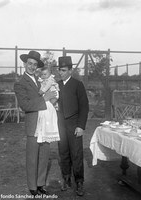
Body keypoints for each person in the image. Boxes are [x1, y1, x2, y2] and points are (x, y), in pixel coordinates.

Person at [14, 50, 56, 196]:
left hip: (46, 123)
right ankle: (32, 186)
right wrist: (44, 99)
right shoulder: (20, 83)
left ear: (37, 66)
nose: (32, 67)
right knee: (32, 156)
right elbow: (25, 105)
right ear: (25, 64)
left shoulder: (41, 79)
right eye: (30, 63)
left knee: (44, 155)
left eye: (35, 64)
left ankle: (40, 184)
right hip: (33, 124)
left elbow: (51, 92)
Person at [57, 56, 89, 196]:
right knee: (63, 153)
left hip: (74, 124)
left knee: (76, 154)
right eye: (59, 70)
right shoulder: (56, 85)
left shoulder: (77, 84)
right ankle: (66, 178)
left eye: (64, 70)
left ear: (70, 70)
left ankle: (79, 181)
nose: (61, 73)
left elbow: (84, 107)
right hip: (60, 125)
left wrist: (81, 126)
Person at [34, 66, 60, 143]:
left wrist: (41, 92)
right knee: (49, 105)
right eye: (42, 74)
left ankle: (55, 105)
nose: (43, 76)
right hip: (48, 95)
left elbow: (46, 87)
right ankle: (54, 106)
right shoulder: (44, 80)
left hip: (53, 92)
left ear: (50, 74)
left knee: (52, 101)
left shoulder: (50, 80)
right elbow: (42, 86)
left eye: (45, 74)